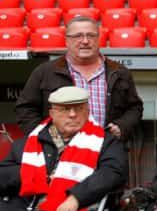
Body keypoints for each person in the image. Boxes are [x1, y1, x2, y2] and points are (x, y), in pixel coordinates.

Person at [15, 15, 143, 142]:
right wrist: (51, 139)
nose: (85, 41)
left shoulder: (119, 72)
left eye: (91, 35)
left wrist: (122, 127)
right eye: (78, 36)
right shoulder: (45, 72)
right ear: (67, 40)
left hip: (107, 149)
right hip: (59, 151)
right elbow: (25, 110)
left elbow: (135, 108)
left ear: (99, 39)